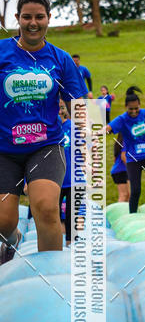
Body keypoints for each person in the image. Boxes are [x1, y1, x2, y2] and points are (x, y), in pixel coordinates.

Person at [0, 0, 88, 262]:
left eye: (39, 17)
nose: (33, 23)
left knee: (47, 208)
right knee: (3, 221)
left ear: (49, 18)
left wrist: (87, 138)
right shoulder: (2, 51)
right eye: (27, 17)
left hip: (46, 147)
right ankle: (12, 239)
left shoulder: (60, 59)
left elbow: (78, 106)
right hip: (4, 150)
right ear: (17, 18)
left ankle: (51, 279)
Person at [103, 86, 145, 213]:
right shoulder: (122, 119)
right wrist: (95, 134)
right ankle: (132, 215)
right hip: (133, 159)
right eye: (130, 109)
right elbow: (108, 128)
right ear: (125, 107)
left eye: (136, 108)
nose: (134, 111)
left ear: (140, 105)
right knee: (135, 191)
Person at [58, 99, 73, 245]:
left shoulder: (72, 127)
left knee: (71, 213)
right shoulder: (49, 129)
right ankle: (57, 243)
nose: (60, 111)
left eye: (62, 108)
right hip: (54, 179)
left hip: (72, 179)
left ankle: (70, 242)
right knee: (53, 214)